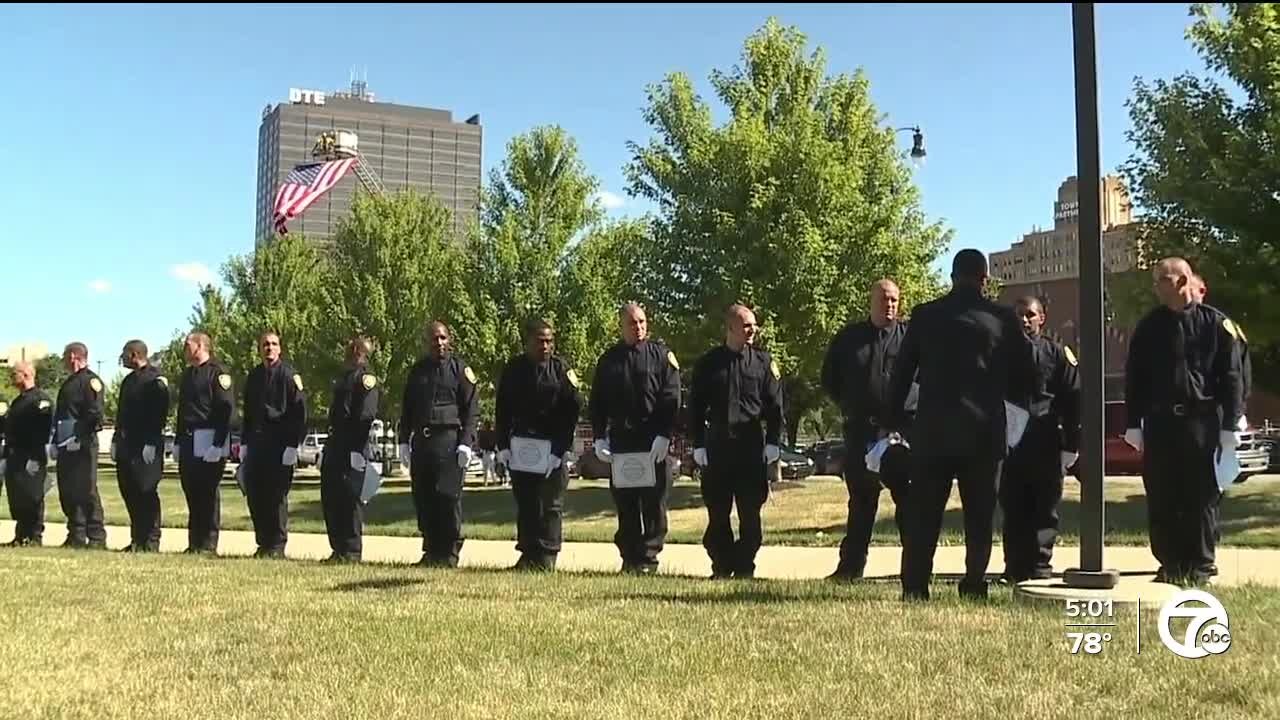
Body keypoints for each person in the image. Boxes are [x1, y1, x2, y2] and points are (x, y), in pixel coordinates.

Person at [885, 249, 1035, 600]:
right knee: (980, 516)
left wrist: (894, 422)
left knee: (924, 514)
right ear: (984, 279)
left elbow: (902, 374)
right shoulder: (1001, 319)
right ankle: (972, 584)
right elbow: (1025, 376)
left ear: (952, 276)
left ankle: (915, 586)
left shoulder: (925, 316)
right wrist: (1013, 423)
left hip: (933, 430)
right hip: (984, 430)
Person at [1124, 257, 1244, 586]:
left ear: (1181, 281)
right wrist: (1133, 421)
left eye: (1160, 279)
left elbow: (1232, 378)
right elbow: (1135, 377)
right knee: (1162, 495)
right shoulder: (1149, 326)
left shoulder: (1216, 325)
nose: (1154, 287)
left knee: (1200, 497)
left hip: (1201, 422)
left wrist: (1230, 426)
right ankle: (1170, 564)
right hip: (1162, 423)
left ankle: (1200, 565)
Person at [820, 279, 914, 580]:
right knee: (860, 503)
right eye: (885, 299)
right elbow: (830, 380)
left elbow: (926, 380)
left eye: (895, 300)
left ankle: (913, 568)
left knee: (908, 503)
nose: (890, 305)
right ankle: (850, 568)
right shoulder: (849, 339)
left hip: (902, 434)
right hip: (861, 432)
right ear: (871, 301)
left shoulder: (910, 338)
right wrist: (853, 406)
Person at [688, 304, 784, 578]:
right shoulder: (708, 364)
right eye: (746, 325)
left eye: (754, 325)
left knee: (750, 515)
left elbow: (775, 406)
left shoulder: (763, 363)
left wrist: (774, 442)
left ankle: (744, 566)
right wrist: (698, 445)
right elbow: (695, 407)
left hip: (751, 447)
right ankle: (721, 565)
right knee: (718, 514)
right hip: (718, 446)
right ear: (730, 328)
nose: (752, 330)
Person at [589, 303, 681, 574]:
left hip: (653, 442)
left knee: (654, 504)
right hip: (623, 442)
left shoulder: (662, 356)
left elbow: (672, 397)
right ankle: (630, 559)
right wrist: (598, 437)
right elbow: (598, 402)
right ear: (621, 326)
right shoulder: (609, 360)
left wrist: (665, 434)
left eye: (642, 322)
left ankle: (649, 560)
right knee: (626, 504)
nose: (639, 327)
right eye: (632, 323)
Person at [998, 297, 1080, 583]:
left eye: (1030, 315)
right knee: (1013, 505)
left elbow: (1073, 398)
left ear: (1041, 319)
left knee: (1045, 507)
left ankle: (1040, 566)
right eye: (1019, 314)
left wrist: (1071, 443)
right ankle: (1015, 567)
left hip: (1046, 439)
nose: (1024, 320)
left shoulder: (1056, 353)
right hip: (1011, 441)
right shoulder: (1001, 351)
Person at [494, 319, 583, 570]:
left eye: (549, 341)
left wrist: (561, 449)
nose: (545, 346)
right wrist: (503, 446)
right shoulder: (514, 369)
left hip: (552, 447)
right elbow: (503, 410)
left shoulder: (561, 370)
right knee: (527, 501)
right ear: (528, 342)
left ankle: (548, 555)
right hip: (522, 448)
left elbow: (572, 410)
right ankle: (528, 552)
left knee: (551, 504)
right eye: (540, 341)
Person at [398, 321, 480, 568]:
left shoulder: (460, 370)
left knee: (447, 498)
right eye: (434, 339)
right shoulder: (418, 371)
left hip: (449, 441)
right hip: (423, 443)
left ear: (449, 339)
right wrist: (403, 440)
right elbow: (408, 409)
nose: (439, 343)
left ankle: (449, 552)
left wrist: (466, 443)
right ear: (427, 342)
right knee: (424, 498)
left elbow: (472, 410)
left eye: (443, 338)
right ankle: (431, 550)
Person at [241, 332, 308, 559]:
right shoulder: (254, 376)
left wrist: (293, 445)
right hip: (257, 444)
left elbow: (300, 413)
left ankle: (277, 545)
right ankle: (263, 542)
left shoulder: (289, 376)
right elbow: (248, 413)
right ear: (259, 349)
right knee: (256, 494)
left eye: (273, 344)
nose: (269, 348)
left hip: (280, 445)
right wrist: (244, 443)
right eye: (265, 345)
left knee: (276, 496)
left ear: (280, 349)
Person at [320, 336, 380, 563]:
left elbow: (365, 416)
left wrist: (357, 449)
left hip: (353, 444)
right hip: (336, 443)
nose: (351, 354)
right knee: (331, 496)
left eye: (355, 351)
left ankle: (352, 550)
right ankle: (338, 548)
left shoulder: (366, 379)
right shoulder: (343, 378)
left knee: (349, 499)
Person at [177, 332, 235, 555]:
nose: (184, 348)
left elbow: (225, 409)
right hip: (190, 439)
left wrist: (218, 444)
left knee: (208, 491)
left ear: (200, 346)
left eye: (187, 345)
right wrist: (180, 442)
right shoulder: (188, 375)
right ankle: (194, 541)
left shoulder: (217, 373)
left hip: (209, 437)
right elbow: (183, 411)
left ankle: (209, 542)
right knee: (191, 489)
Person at [112, 340, 172, 552]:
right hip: (128, 445)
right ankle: (137, 538)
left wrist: (151, 441)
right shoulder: (128, 381)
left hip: (147, 444)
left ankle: (151, 539)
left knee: (146, 490)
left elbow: (159, 413)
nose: (123, 358)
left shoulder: (155, 379)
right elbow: (122, 415)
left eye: (125, 353)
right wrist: (115, 440)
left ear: (135, 354)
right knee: (129, 490)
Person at [52, 342, 107, 549]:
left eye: (65, 356)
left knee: (86, 489)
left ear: (74, 356)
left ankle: (96, 536)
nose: (63, 360)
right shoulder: (69, 383)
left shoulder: (90, 381)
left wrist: (79, 435)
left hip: (83, 444)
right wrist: (56, 441)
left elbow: (95, 414)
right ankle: (76, 533)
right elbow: (62, 415)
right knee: (68, 489)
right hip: (66, 443)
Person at [1, 362, 54, 546]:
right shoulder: (18, 401)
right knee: (18, 497)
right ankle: (21, 535)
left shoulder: (40, 400)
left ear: (25, 375)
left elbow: (42, 431)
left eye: (14, 374)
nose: (11, 378)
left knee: (32, 496)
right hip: (15, 456)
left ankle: (34, 536)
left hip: (31, 455)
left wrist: (34, 457)